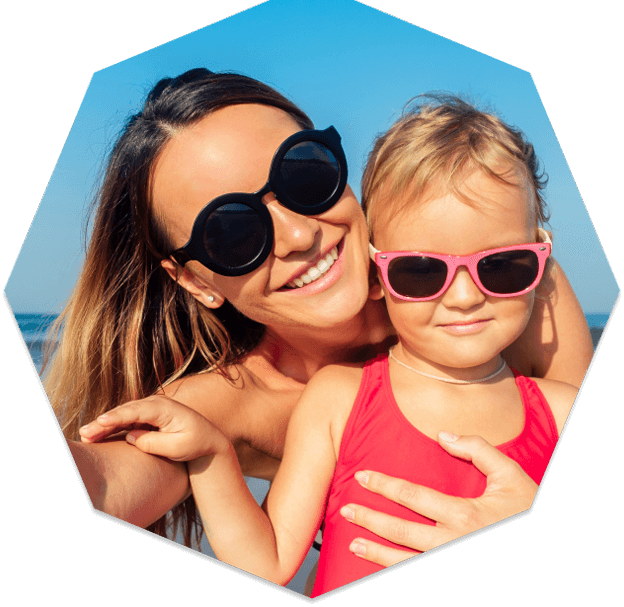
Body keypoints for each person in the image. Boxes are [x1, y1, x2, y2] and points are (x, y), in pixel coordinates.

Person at [59, 70, 592, 579]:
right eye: (234, 233)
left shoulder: (510, 280)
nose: (297, 236)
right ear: (198, 282)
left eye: (304, 175)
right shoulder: (231, 403)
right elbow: (105, 484)